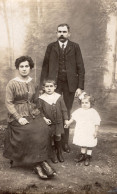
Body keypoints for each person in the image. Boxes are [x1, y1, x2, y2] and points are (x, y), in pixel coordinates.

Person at [3, 56, 56, 179]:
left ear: (30, 68)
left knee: (43, 127)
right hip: (17, 115)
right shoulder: (12, 83)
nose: (24, 69)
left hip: (32, 112)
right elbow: (9, 103)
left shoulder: (33, 82)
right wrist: (18, 117)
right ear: (17, 68)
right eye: (21, 66)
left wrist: (42, 116)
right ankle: (37, 165)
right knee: (30, 130)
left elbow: (36, 102)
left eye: (27, 66)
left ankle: (41, 161)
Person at [40, 23, 85, 153]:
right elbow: (44, 67)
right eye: (59, 31)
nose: (62, 34)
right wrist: (43, 85)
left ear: (68, 33)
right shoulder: (51, 47)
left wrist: (79, 87)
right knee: (51, 112)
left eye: (64, 32)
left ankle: (64, 143)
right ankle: (53, 143)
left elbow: (81, 68)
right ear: (56, 33)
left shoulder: (75, 47)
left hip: (70, 85)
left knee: (66, 112)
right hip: (54, 84)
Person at [65, 93, 101, 166]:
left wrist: (96, 131)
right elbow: (73, 118)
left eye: (86, 103)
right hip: (82, 130)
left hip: (90, 130)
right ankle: (82, 154)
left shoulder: (93, 112)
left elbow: (97, 122)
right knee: (83, 141)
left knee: (89, 142)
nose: (84, 104)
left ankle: (88, 156)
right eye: (83, 103)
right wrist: (68, 123)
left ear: (91, 103)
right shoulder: (79, 110)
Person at [38, 79, 68, 163]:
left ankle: (59, 153)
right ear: (43, 88)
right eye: (47, 86)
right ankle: (52, 154)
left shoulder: (58, 97)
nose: (49, 88)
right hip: (48, 122)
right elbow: (39, 111)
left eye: (51, 86)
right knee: (50, 137)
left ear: (55, 87)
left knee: (58, 136)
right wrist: (44, 119)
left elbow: (64, 109)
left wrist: (66, 119)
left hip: (58, 121)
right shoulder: (41, 98)